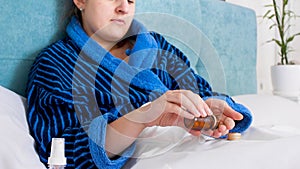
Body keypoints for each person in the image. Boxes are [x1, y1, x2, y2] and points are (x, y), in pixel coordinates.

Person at [26, 0, 252, 168]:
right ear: (81, 1)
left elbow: (200, 91)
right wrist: (142, 117)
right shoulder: (54, 64)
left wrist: (209, 111)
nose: (124, 7)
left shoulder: (157, 47)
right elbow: (62, 151)